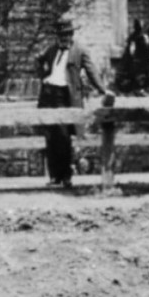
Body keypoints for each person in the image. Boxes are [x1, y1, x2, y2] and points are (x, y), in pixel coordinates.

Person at [35, 18, 110, 188]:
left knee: (63, 136)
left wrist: (102, 89)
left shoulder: (80, 51)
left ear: (72, 34)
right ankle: (54, 176)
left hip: (65, 96)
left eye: (67, 34)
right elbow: (40, 61)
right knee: (51, 137)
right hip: (48, 95)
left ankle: (66, 176)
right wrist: (43, 73)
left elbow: (91, 71)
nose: (64, 38)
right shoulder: (52, 50)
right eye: (61, 34)